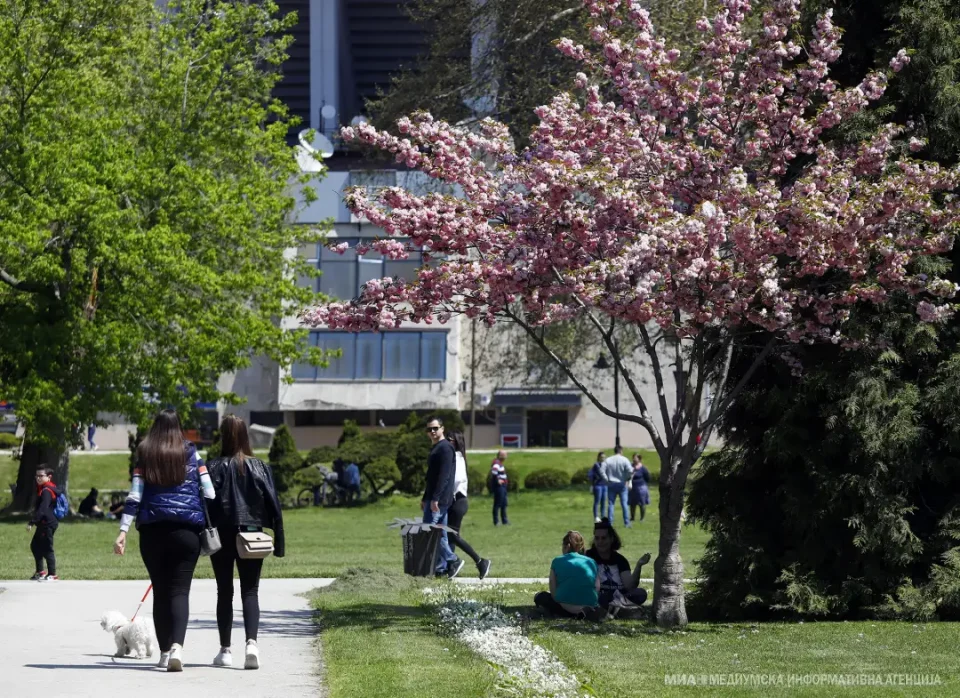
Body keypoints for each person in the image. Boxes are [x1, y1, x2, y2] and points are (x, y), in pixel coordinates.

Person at [114, 409, 216, 672]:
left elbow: (134, 496)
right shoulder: (193, 453)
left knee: (160, 592)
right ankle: (177, 649)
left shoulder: (145, 454)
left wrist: (123, 531)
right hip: (187, 532)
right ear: (178, 427)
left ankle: (162, 653)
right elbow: (210, 491)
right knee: (181, 591)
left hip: (153, 531)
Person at [206, 415, 285, 671]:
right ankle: (252, 644)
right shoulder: (259, 466)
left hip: (222, 534)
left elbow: (206, 503)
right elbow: (273, 503)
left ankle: (225, 649)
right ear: (244, 436)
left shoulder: (214, 466)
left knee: (224, 591)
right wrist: (279, 540)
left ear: (224, 435)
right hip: (252, 534)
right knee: (250, 591)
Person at [446, 430, 492, 579]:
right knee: (449, 535)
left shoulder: (457, 457)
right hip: (455, 501)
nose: (447, 442)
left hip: (457, 500)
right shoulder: (455, 457)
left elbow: (456, 480)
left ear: (457, 442)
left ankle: (480, 561)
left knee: (451, 535)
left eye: (450, 440)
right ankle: (451, 567)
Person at [421, 416, 462, 577]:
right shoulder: (437, 447)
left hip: (440, 499)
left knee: (430, 532)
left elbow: (444, 476)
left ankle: (453, 560)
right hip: (434, 497)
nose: (432, 431)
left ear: (442, 429)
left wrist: (435, 499)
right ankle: (440, 568)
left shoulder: (445, 448)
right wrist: (425, 498)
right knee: (440, 533)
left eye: (435, 428)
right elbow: (431, 477)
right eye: (429, 429)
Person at [534, 531, 602, 619]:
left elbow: (552, 586)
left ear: (568, 546)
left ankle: (561, 614)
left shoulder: (557, 561)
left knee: (540, 596)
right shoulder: (591, 562)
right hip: (589, 606)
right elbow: (597, 587)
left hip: (564, 607)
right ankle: (583, 613)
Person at [585, 519, 650, 611]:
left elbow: (629, 586)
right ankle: (623, 608)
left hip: (620, 596)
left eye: (604, 538)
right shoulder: (588, 556)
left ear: (612, 539)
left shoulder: (620, 560)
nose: (600, 542)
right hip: (599, 595)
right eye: (597, 538)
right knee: (600, 597)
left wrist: (639, 565)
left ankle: (618, 607)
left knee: (641, 593)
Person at [28, 468, 61, 581]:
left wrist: (33, 521)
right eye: (37, 476)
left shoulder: (46, 490)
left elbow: (43, 508)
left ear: (49, 477)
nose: (38, 478)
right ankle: (40, 571)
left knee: (47, 548)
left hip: (47, 523)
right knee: (35, 546)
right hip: (44, 523)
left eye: (41, 476)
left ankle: (52, 574)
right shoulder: (45, 488)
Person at [602, 445, 633, 527]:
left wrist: (606, 479)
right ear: (621, 451)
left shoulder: (608, 460)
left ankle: (610, 522)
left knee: (611, 504)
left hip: (611, 483)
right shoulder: (624, 459)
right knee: (624, 504)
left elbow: (602, 470)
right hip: (622, 483)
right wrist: (627, 479)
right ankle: (627, 523)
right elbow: (630, 471)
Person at [629, 454, 651, 522]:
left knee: (642, 503)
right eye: (633, 458)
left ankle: (642, 518)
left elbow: (648, 478)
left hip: (641, 488)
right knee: (632, 504)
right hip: (632, 488)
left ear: (639, 459)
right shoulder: (630, 467)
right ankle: (632, 517)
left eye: (635, 458)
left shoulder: (643, 468)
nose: (634, 459)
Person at [490, 449, 509, 526]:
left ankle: (505, 520)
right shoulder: (496, 463)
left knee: (504, 503)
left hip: (503, 486)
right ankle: (496, 521)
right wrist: (498, 480)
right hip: (499, 487)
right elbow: (494, 472)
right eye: (505, 455)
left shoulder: (500, 463)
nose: (506, 456)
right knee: (497, 503)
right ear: (501, 456)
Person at [588, 452, 607, 523]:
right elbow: (590, 474)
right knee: (597, 501)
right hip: (598, 485)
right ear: (598, 457)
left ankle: (602, 516)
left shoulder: (606, 465)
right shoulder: (596, 465)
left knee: (603, 502)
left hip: (604, 485)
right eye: (601, 457)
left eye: (604, 457)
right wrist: (594, 480)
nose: (603, 459)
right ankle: (596, 516)